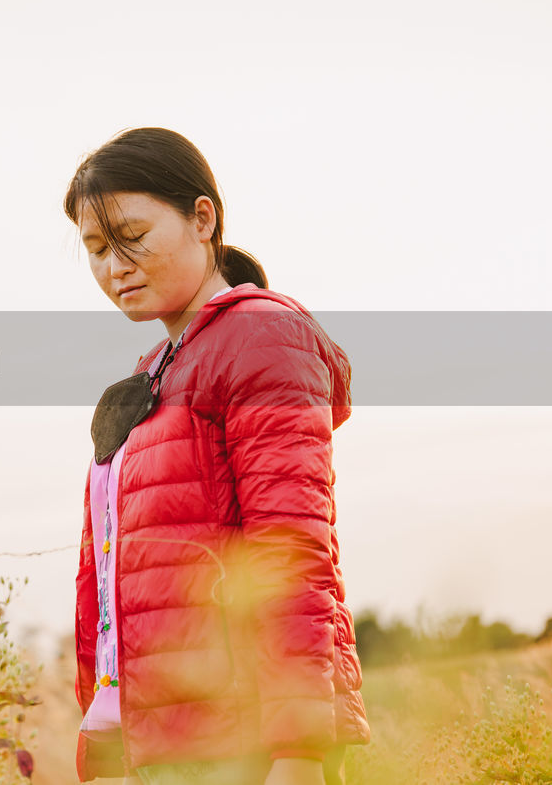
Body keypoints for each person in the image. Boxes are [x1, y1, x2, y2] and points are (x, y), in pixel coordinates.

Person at [64, 128, 372, 785]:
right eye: (95, 249)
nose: (114, 265)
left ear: (203, 217)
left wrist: (299, 753)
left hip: (246, 745)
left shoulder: (261, 336)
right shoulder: (154, 371)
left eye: (132, 236)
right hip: (160, 747)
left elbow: (289, 551)